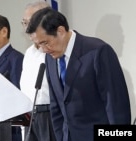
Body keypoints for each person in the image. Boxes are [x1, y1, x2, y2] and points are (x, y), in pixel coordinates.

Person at [26, 7, 131, 141]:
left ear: (60, 31)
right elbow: (56, 107)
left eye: (45, 42)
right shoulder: (49, 58)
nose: (43, 50)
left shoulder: (98, 51)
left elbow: (116, 106)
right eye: (39, 45)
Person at [20, 1, 56, 141]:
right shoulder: (28, 53)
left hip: (50, 115)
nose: (27, 28)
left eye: (31, 22)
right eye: (24, 22)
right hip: (30, 117)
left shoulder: (55, 49)